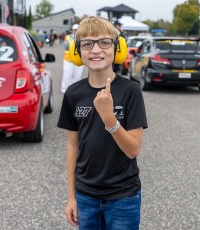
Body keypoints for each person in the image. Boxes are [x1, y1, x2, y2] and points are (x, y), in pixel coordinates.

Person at [57, 16, 148, 229]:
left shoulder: (130, 91)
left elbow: (133, 150)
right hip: (85, 196)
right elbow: (72, 147)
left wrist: (109, 118)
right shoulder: (73, 93)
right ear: (77, 51)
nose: (96, 50)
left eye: (104, 42)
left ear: (117, 48)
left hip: (123, 197)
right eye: (87, 44)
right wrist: (72, 197)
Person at [61, 24, 84, 94]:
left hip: (79, 61)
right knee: (67, 76)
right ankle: (64, 90)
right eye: (75, 30)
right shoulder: (68, 37)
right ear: (73, 30)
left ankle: (74, 90)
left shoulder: (83, 38)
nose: (76, 31)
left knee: (77, 76)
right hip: (68, 61)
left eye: (78, 30)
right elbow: (66, 47)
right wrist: (74, 41)